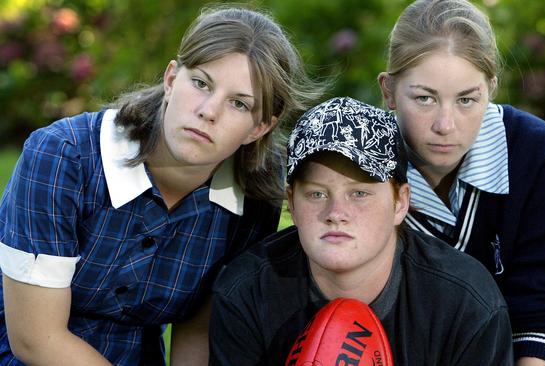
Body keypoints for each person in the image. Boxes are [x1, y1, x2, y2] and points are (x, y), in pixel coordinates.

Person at [0, 5, 322, 365]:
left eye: (238, 103)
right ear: (171, 79)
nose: (208, 110)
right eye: (200, 83)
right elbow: (34, 339)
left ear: (260, 127)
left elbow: (198, 329)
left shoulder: (254, 194)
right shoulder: (64, 157)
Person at [376, 1, 545, 365]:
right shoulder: (367, 167)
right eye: (424, 99)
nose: (446, 124)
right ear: (389, 90)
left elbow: (543, 317)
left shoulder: (537, 153)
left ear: (491, 88)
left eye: (467, 100)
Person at [209, 96, 513, 365]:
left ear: (399, 203)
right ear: (292, 203)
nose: (336, 214)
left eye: (359, 194)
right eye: (317, 194)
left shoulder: (465, 304)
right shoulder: (246, 294)